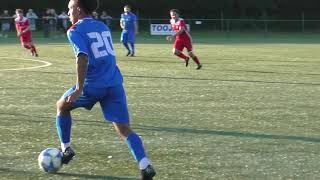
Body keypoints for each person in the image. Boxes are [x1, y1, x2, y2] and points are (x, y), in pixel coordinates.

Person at [56, 0, 156, 179]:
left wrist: (79, 88)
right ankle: (145, 165)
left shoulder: (75, 30)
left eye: (70, 8)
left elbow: (82, 58)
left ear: (78, 10)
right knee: (124, 129)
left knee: (62, 107)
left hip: (92, 85)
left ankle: (66, 149)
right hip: (114, 83)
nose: (68, 12)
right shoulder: (102, 26)